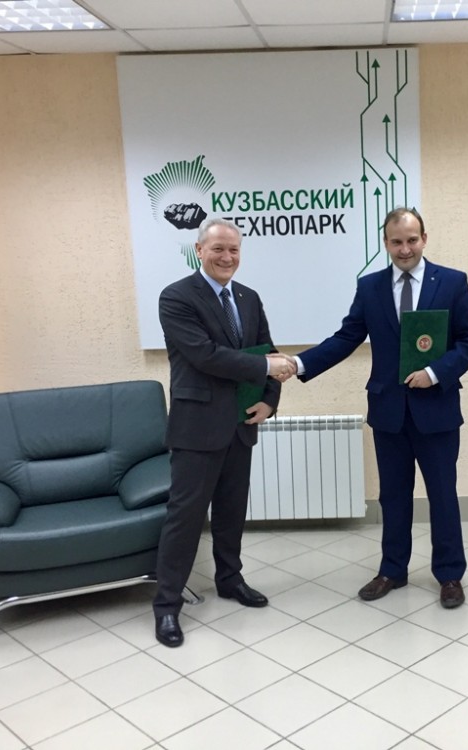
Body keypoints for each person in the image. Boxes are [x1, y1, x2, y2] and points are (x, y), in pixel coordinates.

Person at [293, 207, 468, 608]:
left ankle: (450, 574)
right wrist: (300, 363)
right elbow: (345, 338)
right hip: (389, 412)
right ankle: (392, 570)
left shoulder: (452, 282)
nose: (405, 249)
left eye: (412, 240)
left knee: (443, 495)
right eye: (396, 242)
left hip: (437, 409)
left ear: (424, 239)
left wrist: (435, 372)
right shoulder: (370, 287)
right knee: (393, 497)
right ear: (386, 243)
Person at [153, 218, 296, 647]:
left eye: (234, 249)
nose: (227, 257)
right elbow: (206, 356)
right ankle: (167, 605)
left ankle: (230, 580)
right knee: (185, 518)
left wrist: (270, 399)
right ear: (199, 250)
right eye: (218, 249)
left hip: (240, 425)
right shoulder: (176, 297)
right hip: (197, 428)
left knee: (232, 512)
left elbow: (266, 349)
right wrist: (266, 366)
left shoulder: (248, 298)